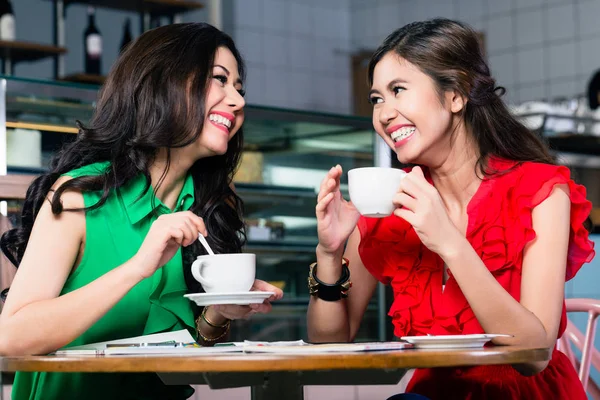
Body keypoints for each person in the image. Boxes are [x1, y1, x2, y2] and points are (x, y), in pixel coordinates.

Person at [307, 18, 594, 399]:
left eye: (398, 90)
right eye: (377, 98)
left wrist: (449, 242)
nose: (384, 113)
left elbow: (534, 355)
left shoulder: (539, 191)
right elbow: (331, 347)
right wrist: (330, 253)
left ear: (456, 94)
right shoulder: (390, 207)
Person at [0, 22, 282, 400]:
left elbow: (170, 355)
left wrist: (219, 313)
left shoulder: (204, 206)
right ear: (163, 82)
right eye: (220, 80)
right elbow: (11, 338)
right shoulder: (79, 196)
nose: (238, 100)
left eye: (239, 88)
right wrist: (139, 266)